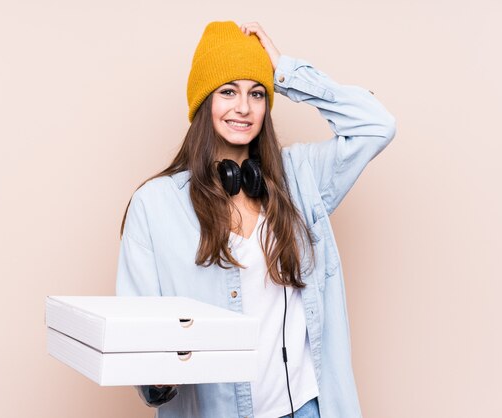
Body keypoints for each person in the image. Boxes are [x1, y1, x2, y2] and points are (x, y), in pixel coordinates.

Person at [116, 20, 396, 418]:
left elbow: (377, 125)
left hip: (306, 407)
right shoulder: (155, 205)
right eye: (228, 91)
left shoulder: (299, 177)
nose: (244, 108)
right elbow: (138, 331)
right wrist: (155, 374)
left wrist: (284, 72)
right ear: (203, 101)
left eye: (257, 93)